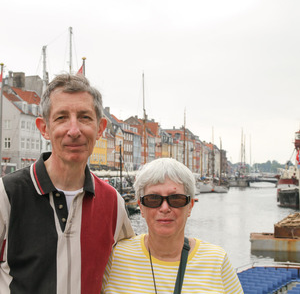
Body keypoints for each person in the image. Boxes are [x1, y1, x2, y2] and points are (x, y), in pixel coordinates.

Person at [0, 74, 135, 294]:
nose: (74, 130)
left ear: (100, 128)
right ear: (44, 128)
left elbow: (128, 269)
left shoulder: (112, 202)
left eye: (84, 118)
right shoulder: (7, 194)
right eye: (62, 118)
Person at [101, 158, 243, 293]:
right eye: (153, 199)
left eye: (176, 199)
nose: (164, 208)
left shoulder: (216, 261)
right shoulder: (116, 257)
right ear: (141, 207)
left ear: (190, 206)